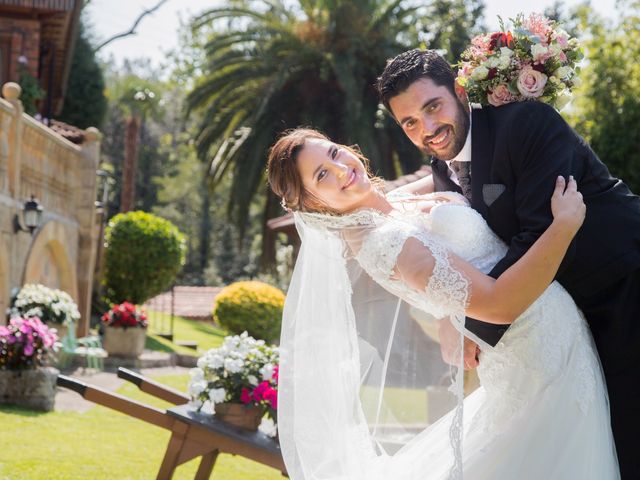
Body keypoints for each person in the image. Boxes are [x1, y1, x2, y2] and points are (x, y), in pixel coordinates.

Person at [267, 128, 619, 479]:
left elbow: (445, 175)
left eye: (333, 153)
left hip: (551, 343)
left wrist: (453, 317)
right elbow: (498, 307)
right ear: (314, 203)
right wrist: (564, 226)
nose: (342, 169)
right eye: (322, 175)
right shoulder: (385, 242)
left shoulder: (390, 206)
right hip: (538, 361)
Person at [376, 49, 640, 478]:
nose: (427, 129)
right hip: (570, 318)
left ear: (460, 91)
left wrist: (471, 323)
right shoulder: (443, 169)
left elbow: (537, 235)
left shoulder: (527, 123)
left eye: (432, 107)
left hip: (624, 284)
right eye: (409, 122)